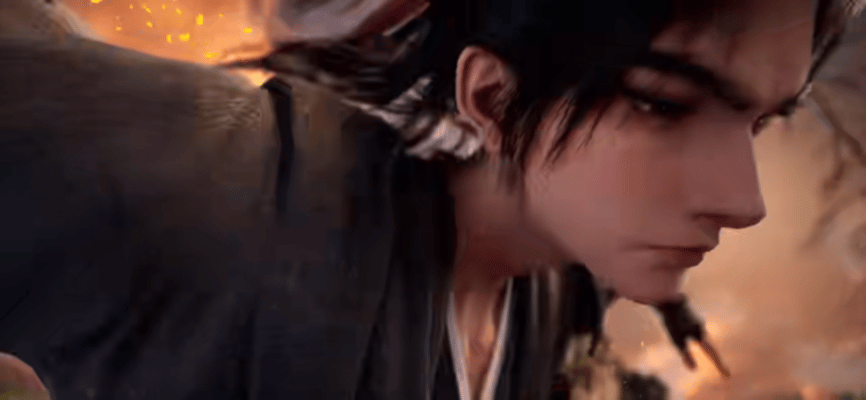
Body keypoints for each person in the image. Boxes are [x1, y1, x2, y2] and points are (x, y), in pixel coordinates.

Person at [0, 1, 861, 400]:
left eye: (758, 120)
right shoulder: (238, 188)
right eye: (664, 106)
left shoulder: (558, 294)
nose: (743, 200)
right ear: (492, 98)